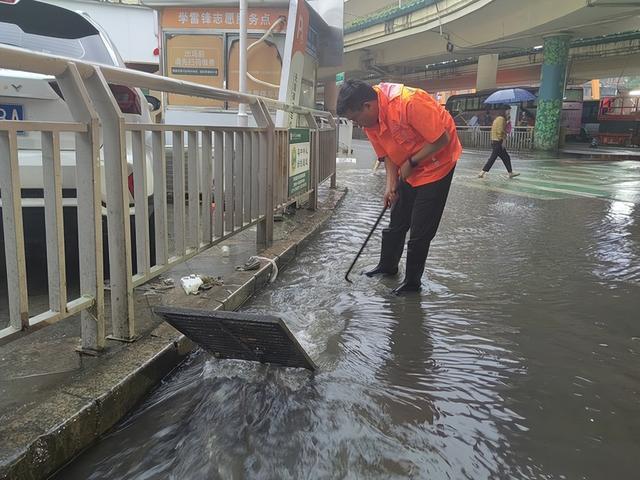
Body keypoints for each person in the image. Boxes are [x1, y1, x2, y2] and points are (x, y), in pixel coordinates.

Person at [337, 80, 461, 294]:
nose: (357, 124)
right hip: (408, 166)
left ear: (368, 106)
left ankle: (413, 283)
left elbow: (441, 139)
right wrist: (390, 185)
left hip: (437, 165)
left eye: (356, 118)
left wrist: (411, 163)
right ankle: (388, 267)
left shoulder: (409, 102)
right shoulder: (370, 122)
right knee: (397, 219)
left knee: (420, 230)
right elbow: (387, 155)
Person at [478, 106, 520, 179]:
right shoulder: (501, 119)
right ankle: (482, 172)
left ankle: (510, 173)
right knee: (493, 158)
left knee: (506, 157)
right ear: (504, 111)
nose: (509, 113)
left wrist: (507, 122)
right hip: (498, 141)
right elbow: (500, 131)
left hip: (495, 141)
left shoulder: (498, 118)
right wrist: (503, 140)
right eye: (508, 111)